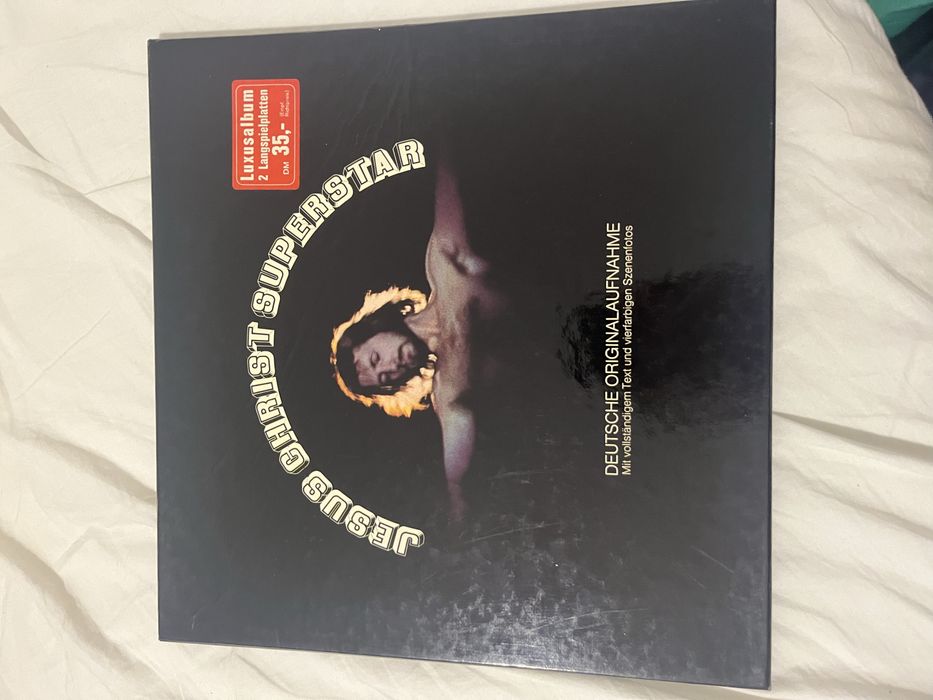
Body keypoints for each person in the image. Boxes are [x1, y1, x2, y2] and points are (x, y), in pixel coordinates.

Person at [331, 159, 504, 518]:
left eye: (376, 358)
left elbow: (450, 169)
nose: (391, 368)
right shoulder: (448, 387)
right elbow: (457, 477)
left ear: (375, 327)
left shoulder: (442, 267)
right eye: (385, 378)